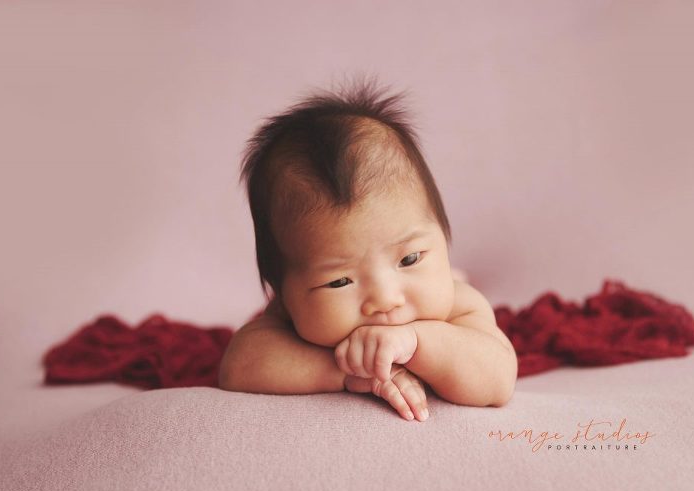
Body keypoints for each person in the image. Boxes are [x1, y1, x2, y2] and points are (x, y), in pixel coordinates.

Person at [218, 79, 518, 421]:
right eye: (339, 281)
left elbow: (498, 380)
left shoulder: (456, 306)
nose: (386, 299)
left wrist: (418, 342)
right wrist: (350, 372)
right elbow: (239, 367)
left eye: (409, 259)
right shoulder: (293, 316)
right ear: (285, 293)